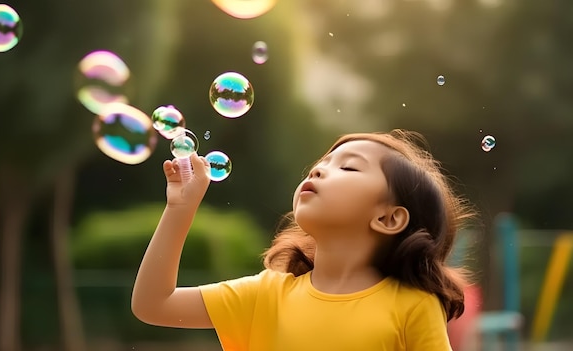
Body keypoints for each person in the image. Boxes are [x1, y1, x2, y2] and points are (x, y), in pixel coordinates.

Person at [131, 129, 474, 351]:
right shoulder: (266, 297)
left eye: (349, 168)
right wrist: (180, 208)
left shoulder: (411, 306)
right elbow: (152, 304)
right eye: (322, 163)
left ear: (388, 218)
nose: (318, 170)